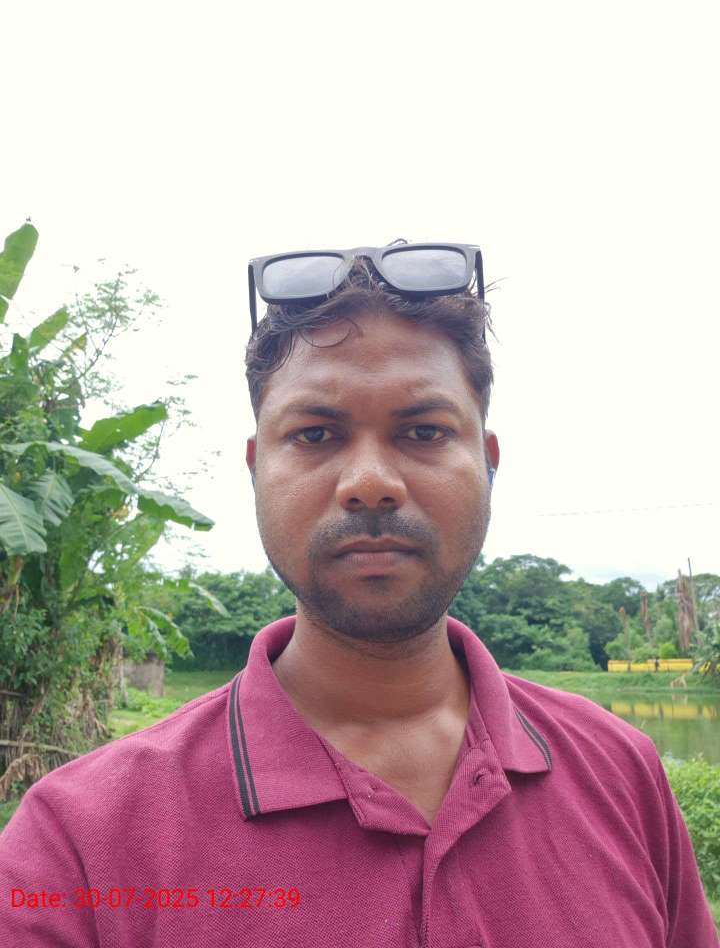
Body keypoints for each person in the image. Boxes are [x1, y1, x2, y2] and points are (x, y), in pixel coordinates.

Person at [0, 242, 717, 946]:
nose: (370, 482)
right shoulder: (79, 842)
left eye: (425, 431)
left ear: (488, 461)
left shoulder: (621, 770)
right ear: (256, 467)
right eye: (315, 435)